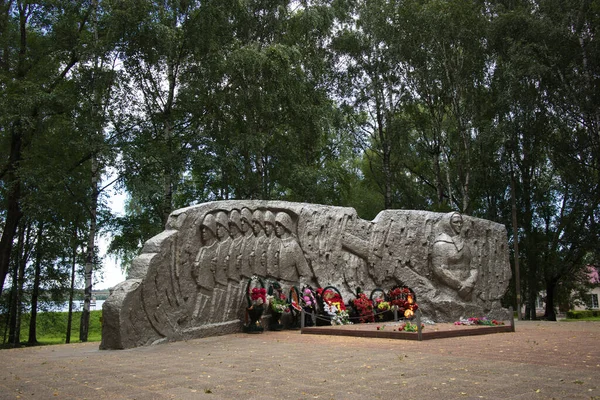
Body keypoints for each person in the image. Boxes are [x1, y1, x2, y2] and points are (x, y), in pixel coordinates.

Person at [431, 212, 478, 301]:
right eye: (455, 222)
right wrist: (460, 285)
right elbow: (439, 270)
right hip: (448, 294)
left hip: (468, 293)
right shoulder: (440, 244)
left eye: (461, 222)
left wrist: (469, 284)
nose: (459, 225)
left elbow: (474, 268)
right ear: (447, 224)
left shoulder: (466, 245)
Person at [275, 212, 312, 283]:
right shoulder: (277, 243)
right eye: (276, 224)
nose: (276, 226)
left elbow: (305, 272)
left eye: (279, 224)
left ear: (285, 226)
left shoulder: (293, 245)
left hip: (290, 287)